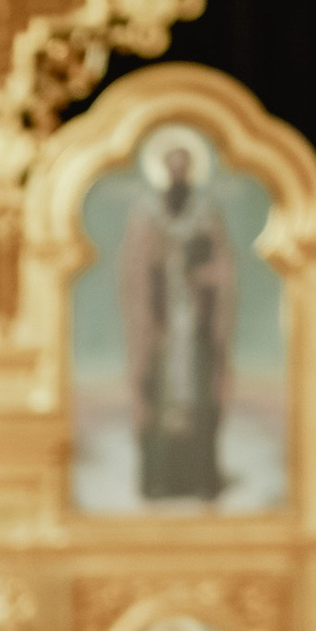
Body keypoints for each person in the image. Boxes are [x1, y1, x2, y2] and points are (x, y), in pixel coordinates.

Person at [118, 138, 235, 502]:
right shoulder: (147, 213)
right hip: (160, 328)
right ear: (163, 170)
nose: (178, 171)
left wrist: (206, 279)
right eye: (172, 164)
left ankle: (199, 480)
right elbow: (134, 267)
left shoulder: (206, 213)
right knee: (157, 400)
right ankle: (159, 480)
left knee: (199, 400)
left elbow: (223, 266)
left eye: (185, 164)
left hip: (197, 326)